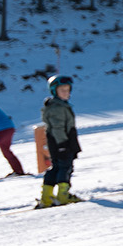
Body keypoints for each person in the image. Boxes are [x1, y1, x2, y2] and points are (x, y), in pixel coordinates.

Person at [37, 75, 83, 208]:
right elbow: (58, 127)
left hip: (59, 141)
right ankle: (63, 195)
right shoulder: (57, 108)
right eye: (62, 90)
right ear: (54, 91)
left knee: (56, 167)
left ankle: (47, 197)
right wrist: (63, 145)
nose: (66, 93)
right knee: (65, 167)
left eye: (68, 90)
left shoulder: (60, 105)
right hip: (61, 141)